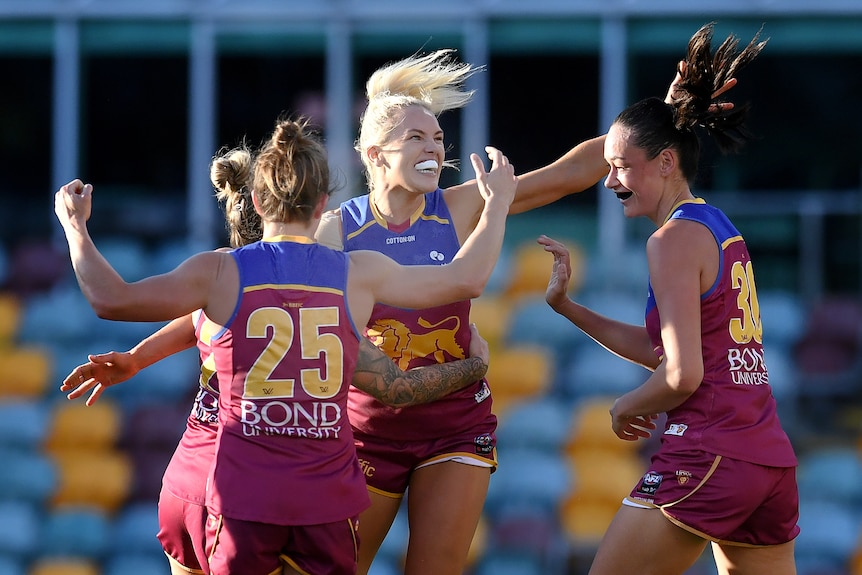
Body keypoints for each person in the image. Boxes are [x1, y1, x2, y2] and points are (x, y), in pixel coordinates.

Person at [313, 48, 739, 575]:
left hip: (455, 422)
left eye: (439, 137)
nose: (434, 147)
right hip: (368, 426)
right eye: (416, 138)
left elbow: (569, 174)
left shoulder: (463, 204)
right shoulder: (336, 231)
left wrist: (659, 124)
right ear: (376, 154)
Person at [54, 115, 517, 575]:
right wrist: (495, 206)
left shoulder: (222, 272)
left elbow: (112, 299)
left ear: (256, 199)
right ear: (322, 205)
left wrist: (75, 227)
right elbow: (465, 281)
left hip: (240, 492)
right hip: (323, 499)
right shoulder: (356, 273)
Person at [539, 22, 798, 575]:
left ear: (665, 163)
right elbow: (668, 350)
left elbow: (682, 377)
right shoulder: (717, 227)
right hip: (767, 459)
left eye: (619, 166)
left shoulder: (670, 240)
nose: (609, 182)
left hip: (710, 450)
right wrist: (568, 307)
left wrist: (624, 405)